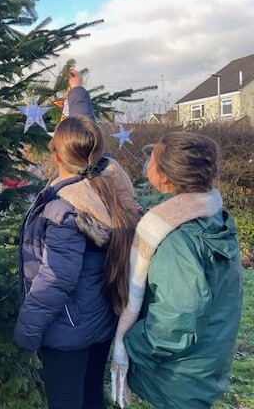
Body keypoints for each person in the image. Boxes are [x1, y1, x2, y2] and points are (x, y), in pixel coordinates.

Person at [14, 69, 140, 409]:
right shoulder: (107, 178)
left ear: (56, 157)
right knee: (90, 396)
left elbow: (56, 278)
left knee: (68, 400)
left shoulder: (64, 209)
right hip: (101, 318)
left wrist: (27, 331)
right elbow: (84, 129)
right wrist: (76, 91)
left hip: (67, 329)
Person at [111, 132, 243, 409]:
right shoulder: (212, 216)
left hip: (181, 371)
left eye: (152, 159)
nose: (146, 163)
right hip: (205, 359)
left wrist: (134, 343)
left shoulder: (174, 237)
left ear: (167, 176)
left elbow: (179, 316)